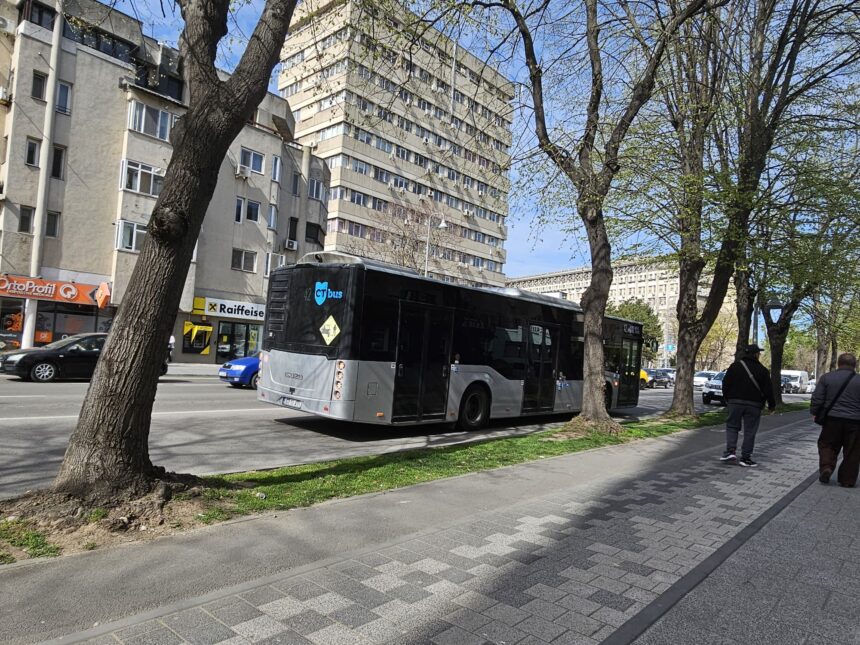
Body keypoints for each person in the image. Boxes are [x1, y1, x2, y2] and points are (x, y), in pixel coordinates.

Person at [720, 344, 776, 467]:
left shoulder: (734, 366)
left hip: (735, 402)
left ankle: (730, 451)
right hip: (754, 405)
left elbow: (725, 384)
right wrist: (771, 405)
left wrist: (728, 399)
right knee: (750, 431)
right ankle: (745, 458)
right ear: (756, 354)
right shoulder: (763, 370)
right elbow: (768, 390)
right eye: (759, 353)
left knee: (732, 426)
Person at [810, 353, 860, 487]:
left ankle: (827, 467)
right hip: (855, 422)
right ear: (854, 365)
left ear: (838, 363)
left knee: (827, 444)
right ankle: (847, 480)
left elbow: (817, 398)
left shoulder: (827, 378)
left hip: (832, 420)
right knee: (853, 451)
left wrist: (814, 412)